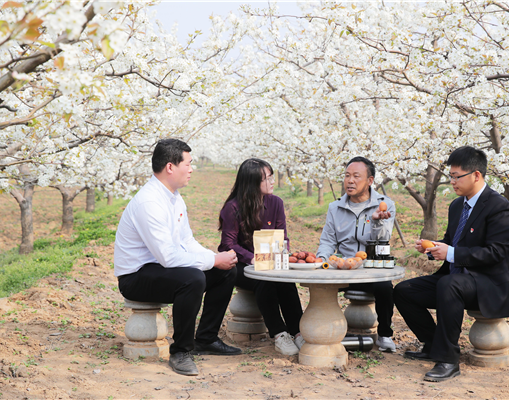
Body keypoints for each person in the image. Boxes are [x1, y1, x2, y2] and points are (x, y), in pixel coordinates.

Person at [114, 139, 242, 377]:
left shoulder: (174, 197)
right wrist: (213, 260)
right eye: (188, 163)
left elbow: (187, 242)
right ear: (170, 167)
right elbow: (168, 258)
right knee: (193, 278)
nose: (192, 169)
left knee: (226, 271)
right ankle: (181, 351)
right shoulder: (149, 202)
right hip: (136, 276)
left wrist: (216, 258)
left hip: (159, 268)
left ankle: (206, 338)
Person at [393, 146, 509, 382]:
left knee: (449, 284)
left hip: (488, 283)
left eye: (456, 176)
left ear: (476, 175)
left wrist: (450, 253)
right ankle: (432, 344)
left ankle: (448, 360)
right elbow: (453, 243)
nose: (451, 181)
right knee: (403, 291)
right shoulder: (457, 205)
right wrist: (433, 247)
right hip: (456, 279)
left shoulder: (499, 206)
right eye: (450, 176)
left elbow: (497, 252)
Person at [218, 158, 304, 355]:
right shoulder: (232, 208)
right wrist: (252, 259)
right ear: (252, 182)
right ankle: (279, 333)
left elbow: (283, 236)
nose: (273, 181)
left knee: (284, 280)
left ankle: (298, 332)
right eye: (267, 178)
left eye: (272, 176)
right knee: (264, 280)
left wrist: (282, 254)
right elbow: (228, 245)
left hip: (270, 261)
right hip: (241, 264)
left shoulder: (276, 203)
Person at [316, 156, 397, 352]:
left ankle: (385, 334)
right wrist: (322, 259)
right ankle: (322, 329)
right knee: (318, 284)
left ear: (370, 181)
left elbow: (383, 241)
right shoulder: (335, 208)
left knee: (385, 286)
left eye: (356, 176)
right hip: (343, 268)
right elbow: (328, 240)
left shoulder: (385, 205)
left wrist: (377, 221)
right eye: (347, 176)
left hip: (370, 268)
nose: (350, 181)